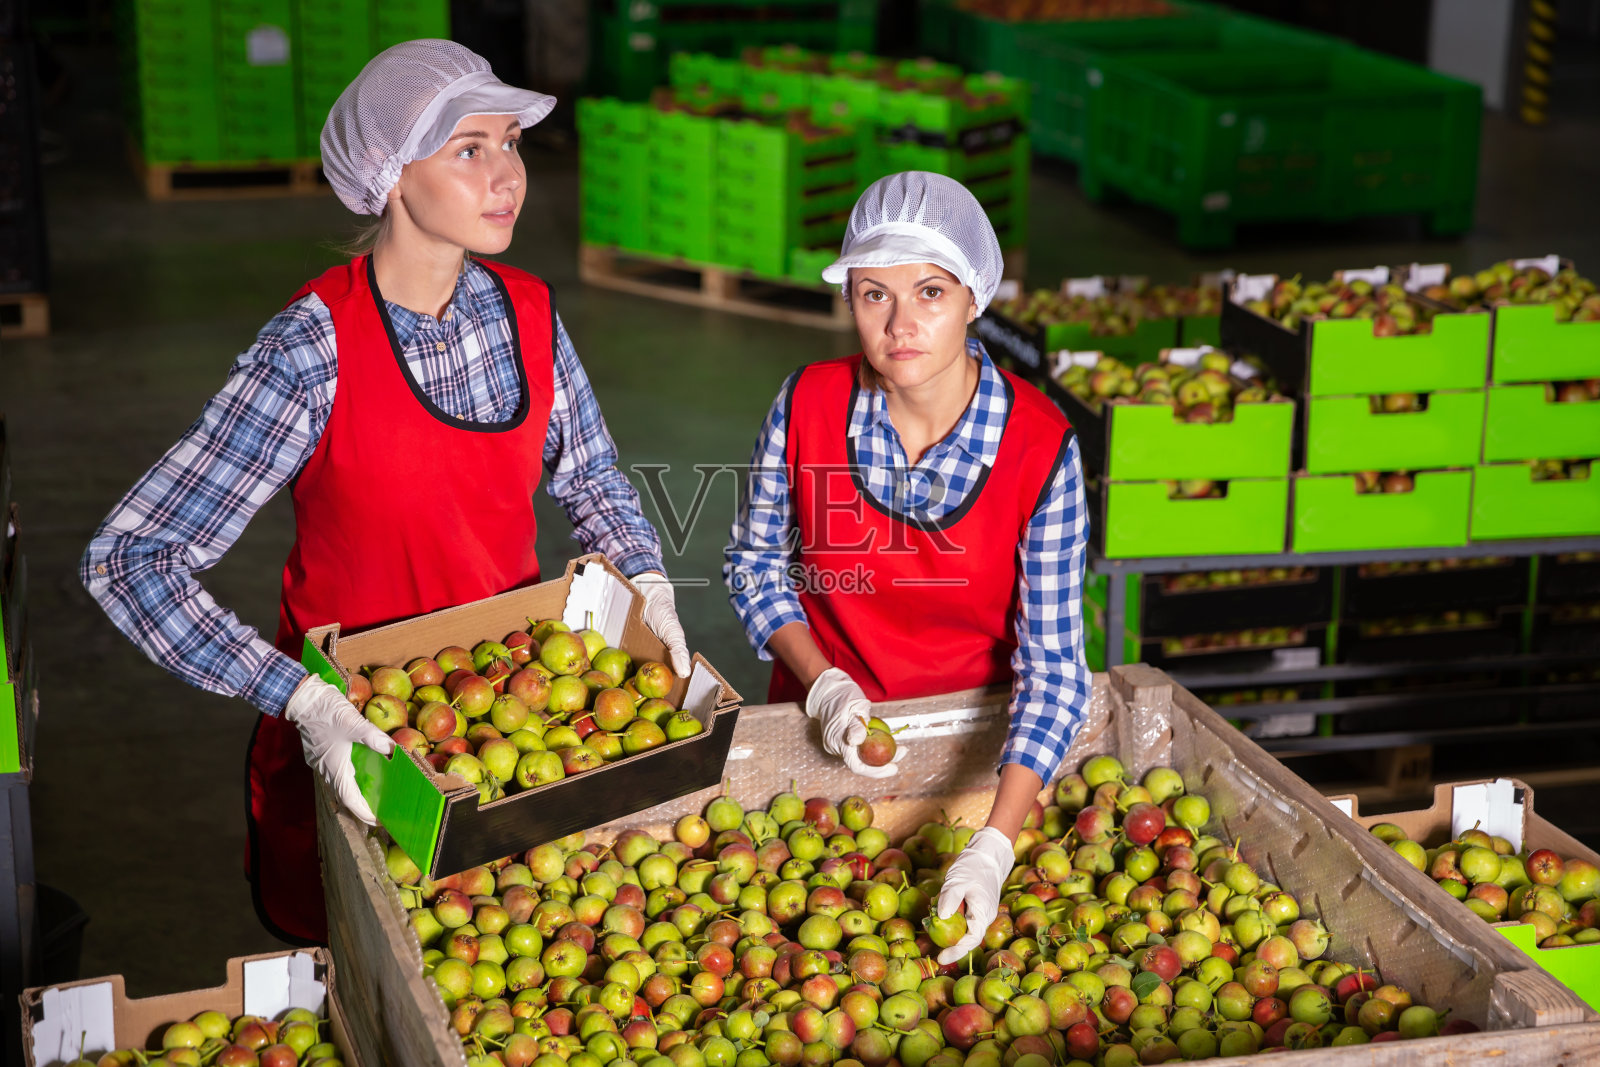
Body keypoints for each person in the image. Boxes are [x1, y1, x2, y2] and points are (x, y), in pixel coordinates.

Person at [81, 40, 692, 945]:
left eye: (511, 143)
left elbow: (592, 474)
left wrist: (649, 581)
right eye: (469, 149)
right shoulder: (313, 348)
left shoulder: (529, 313)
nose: (507, 176)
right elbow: (131, 559)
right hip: (363, 740)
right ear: (390, 174)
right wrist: (302, 700)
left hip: (514, 723)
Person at [722, 171, 1092, 965]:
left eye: (929, 292)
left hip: (975, 762)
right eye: (873, 295)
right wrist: (823, 682)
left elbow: (1055, 670)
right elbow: (755, 564)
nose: (899, 324)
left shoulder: (1040, 448)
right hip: (819, 738)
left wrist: (995, 844)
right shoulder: (806, 404)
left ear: (974, 296)